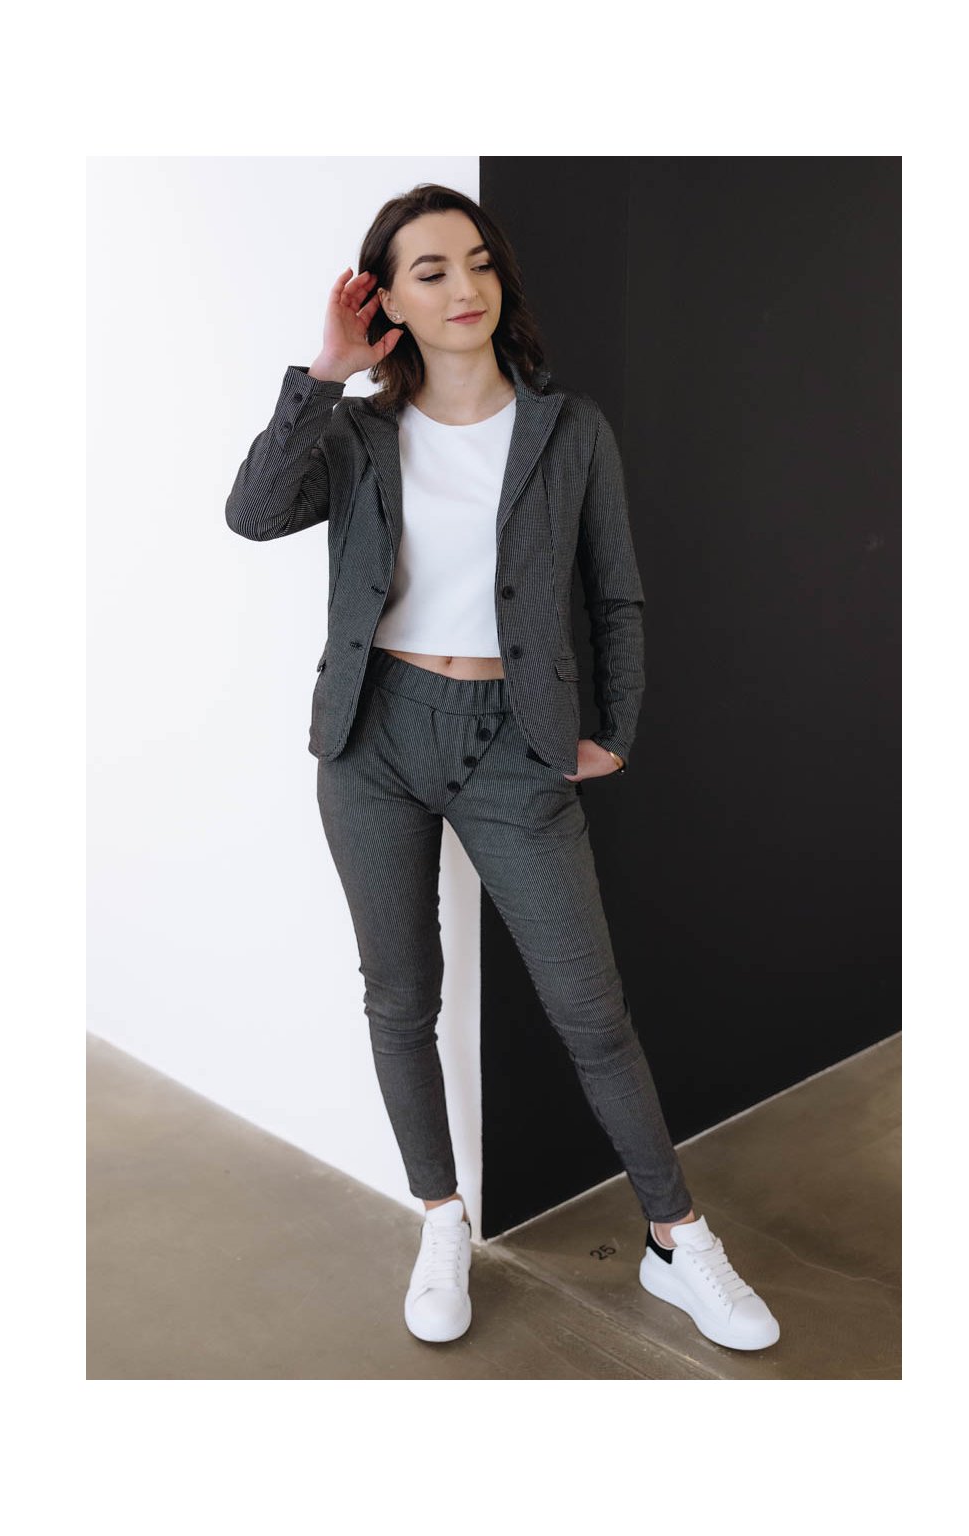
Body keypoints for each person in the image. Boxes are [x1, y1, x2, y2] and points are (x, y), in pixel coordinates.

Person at [226, 184, 780, 1353]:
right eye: (429, 271)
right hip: (371, 736)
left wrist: (614, 725)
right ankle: (441, 1220)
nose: (463, 287)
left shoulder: (568, 431)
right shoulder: (356, 434)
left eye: (476, 261)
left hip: (512, 743)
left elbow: (615, 594)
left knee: (590, 1012)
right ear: (388, 300)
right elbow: (253, 514)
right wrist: (322, 374)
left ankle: (676, 1238)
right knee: (399, 998)